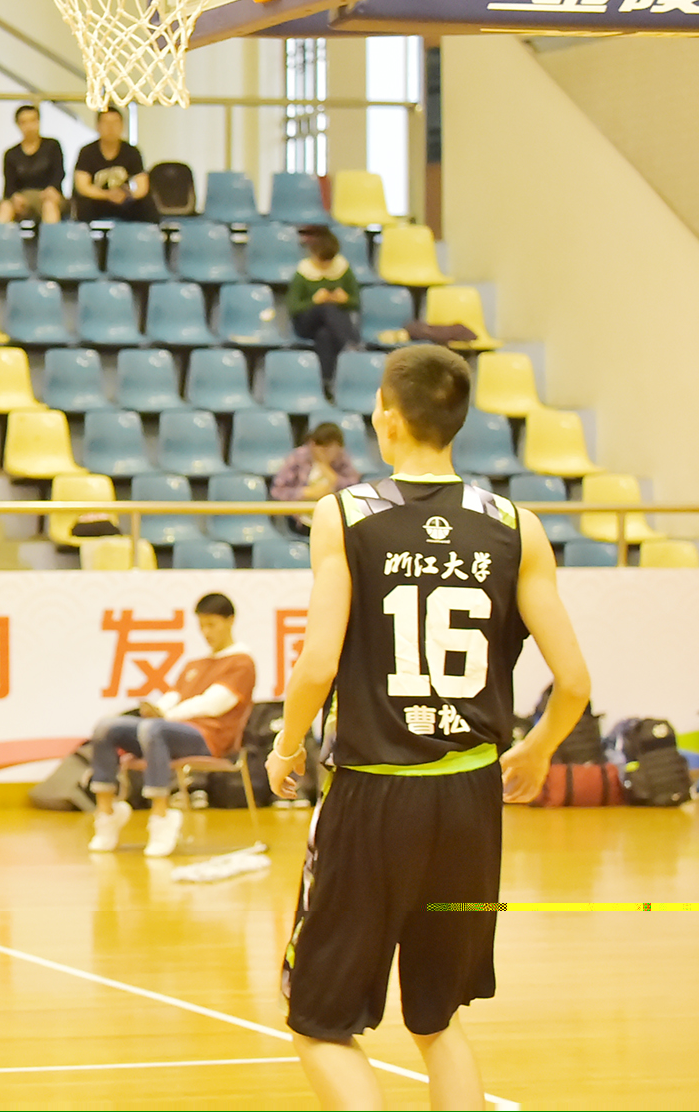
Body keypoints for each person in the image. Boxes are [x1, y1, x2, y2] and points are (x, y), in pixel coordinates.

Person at [266, 345, 593, 1110]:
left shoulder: (346, 512)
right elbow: (575, 682)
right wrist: (537, 750)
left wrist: (285, 745)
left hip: (374, 797)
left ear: (386, 415)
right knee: (437, 1019)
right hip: (471, 802)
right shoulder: (516, 524)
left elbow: (317, 664)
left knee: (318, 1023)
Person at [86, 592, 257, 856]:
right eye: (202, 625)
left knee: (153, 729)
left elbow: (214, 704)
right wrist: (157, 710)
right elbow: (173, 697)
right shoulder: (195, 664)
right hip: (170, 732)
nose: (206, 632)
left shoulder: (241, 662)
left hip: (209, 739)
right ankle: (107, 813)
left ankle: (161, 816)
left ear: (230, 621)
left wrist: (165, 716)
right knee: (106, 728)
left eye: (212, 625)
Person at [289, 225, 362, 393]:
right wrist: (314, 301)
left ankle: (327, 383)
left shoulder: (343, 269)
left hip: (331, 327)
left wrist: (344, 299)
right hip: (306, 323)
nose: (326, 264)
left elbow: (355, 302)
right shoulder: (303, 272)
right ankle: (350, 344)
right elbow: (294, 307)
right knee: (326, 307)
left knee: (325, 335)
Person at [273, 421, 364, 534]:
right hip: (301, 523)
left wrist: (330, 475)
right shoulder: (298, 457)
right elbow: (277, 491)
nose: (324, 452)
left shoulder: (343, 459)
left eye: (330, 447)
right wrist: (306, 493)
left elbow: (355, 491)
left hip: (336, 522)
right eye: (321, 447)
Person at [73, 107, 157, 223]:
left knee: (147, 203)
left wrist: (128, 195)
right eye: (106, 123)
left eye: (115, 123)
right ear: (98, 126)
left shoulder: (132, 152)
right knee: (84, 203)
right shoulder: (87, 152)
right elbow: (82, 186)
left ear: (122, 126)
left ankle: (151, 232)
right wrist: (107, 195)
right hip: (97, 200)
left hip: (123, 200)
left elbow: (142, 185)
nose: (110, 127)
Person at [0, 103, 65, 225]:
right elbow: (9, 185)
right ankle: (0, 237)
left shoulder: (52, 146)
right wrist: (15, 197)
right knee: (5, 207)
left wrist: (52, 189)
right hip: (23, 197)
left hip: (48, 195)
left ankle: (51, 237)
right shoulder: (11, 154)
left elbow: (59, 173)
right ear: (18, 125)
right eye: (24, 122)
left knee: (49, 205)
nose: (29, 126)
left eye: (33, 121)